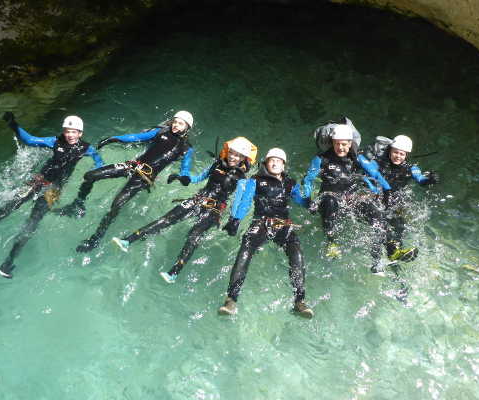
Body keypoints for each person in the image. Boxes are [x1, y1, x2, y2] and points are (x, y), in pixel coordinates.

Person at [0, 112, 104, 278]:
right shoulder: (55, 141)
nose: (69, 135)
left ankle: (8, 262)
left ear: (80, 133)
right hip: (38, 181)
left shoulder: (87, 148)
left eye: (73, 131)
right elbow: (30, 140)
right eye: (67, 131)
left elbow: (99, 163)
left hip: (54, 190)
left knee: (32, 223)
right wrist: (12, 123)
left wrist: (97, 172)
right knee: (4, 211)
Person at [111, 137, 257, 283]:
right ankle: (128, 241)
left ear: (243, 158)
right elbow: (199, 178)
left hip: (214, 209)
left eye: (237, 155)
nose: (232, 157)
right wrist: (184, 178)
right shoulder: (217, 165)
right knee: (165, 220)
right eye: (231, 153)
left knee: (194, 234)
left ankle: (174, 272)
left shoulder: (242, 179)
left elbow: (240, 201)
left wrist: (235, 219)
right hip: (197, 199)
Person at [55, 111, 194, 252]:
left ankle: (95, 239)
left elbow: (186, 170)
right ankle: (77, 204)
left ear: (187, 127)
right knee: (90, 175)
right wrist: (114, 138)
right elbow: (135, 137)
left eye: (180, 123)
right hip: (132, 166)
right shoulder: (160, 132)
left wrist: (182, 177)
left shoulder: (186, 149)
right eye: (175, 121)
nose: (176, 125)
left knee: (116, 205)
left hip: (144, 177)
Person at [218, 148, 314, 319]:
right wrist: (236, 219)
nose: (275, 163)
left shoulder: (290, 183)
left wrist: (311, 202)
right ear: (265, 163)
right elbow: (246, 200)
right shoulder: (256, 180)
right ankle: (231, 300)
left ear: (284, 165)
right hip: (261, 223)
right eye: (271, 160)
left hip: (284, 225)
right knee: (245, 251)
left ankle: (300, 302)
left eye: (279, 160)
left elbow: (300, 200)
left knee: (297, 255)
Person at [299, 124, 389, 259]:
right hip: (328, 196)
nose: (340, 147)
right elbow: (308, 180)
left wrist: (385, 191)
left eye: (344, 144)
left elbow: (375, 175)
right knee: (329, 201)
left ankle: (378, 252)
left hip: (350, 196)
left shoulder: (357, 158)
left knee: (376, 214)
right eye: (337, 144)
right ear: (332, 143)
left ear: (350, 143)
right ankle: (332, 243)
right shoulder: (321, 159)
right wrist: (308, 200)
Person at [365, 134, 439, 272]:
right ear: (390, 151)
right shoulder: (379, 162)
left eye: (401, 154)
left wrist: (429, 180)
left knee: (399, 226)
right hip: (378, 198)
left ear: (406, 155)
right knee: (380, 229)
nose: (398, 156)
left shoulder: (411, 168)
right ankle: (375, 262)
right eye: (395, 152)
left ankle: (395, 257)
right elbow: (369, 170)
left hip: (395, 201)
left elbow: (420, 179)